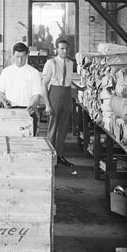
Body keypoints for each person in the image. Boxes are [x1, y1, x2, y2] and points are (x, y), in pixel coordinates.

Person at [0, 42, 44, 135]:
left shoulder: (34, 73)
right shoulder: (6, 72)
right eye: (17, 57)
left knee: (28, 141)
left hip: (27, 112)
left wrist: (32, 105)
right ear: (13, 55)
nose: (20, 60)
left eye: (23, 57)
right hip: (9, 112)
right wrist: (4, 101)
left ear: (27, 55)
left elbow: (36, 95)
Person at [41, 38, 75, 167]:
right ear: (56, 49)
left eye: (66, 48)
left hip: (67, 94)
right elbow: (44, 85)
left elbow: (69, 81)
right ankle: (50, 158)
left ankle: (60, 156)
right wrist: (47, 104)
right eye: (62, 48)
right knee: (53, 128)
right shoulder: (51, 63)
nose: (64, 51)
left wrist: (80, 88)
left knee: (63, 128)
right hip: (55, 95)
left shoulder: (70, 63)